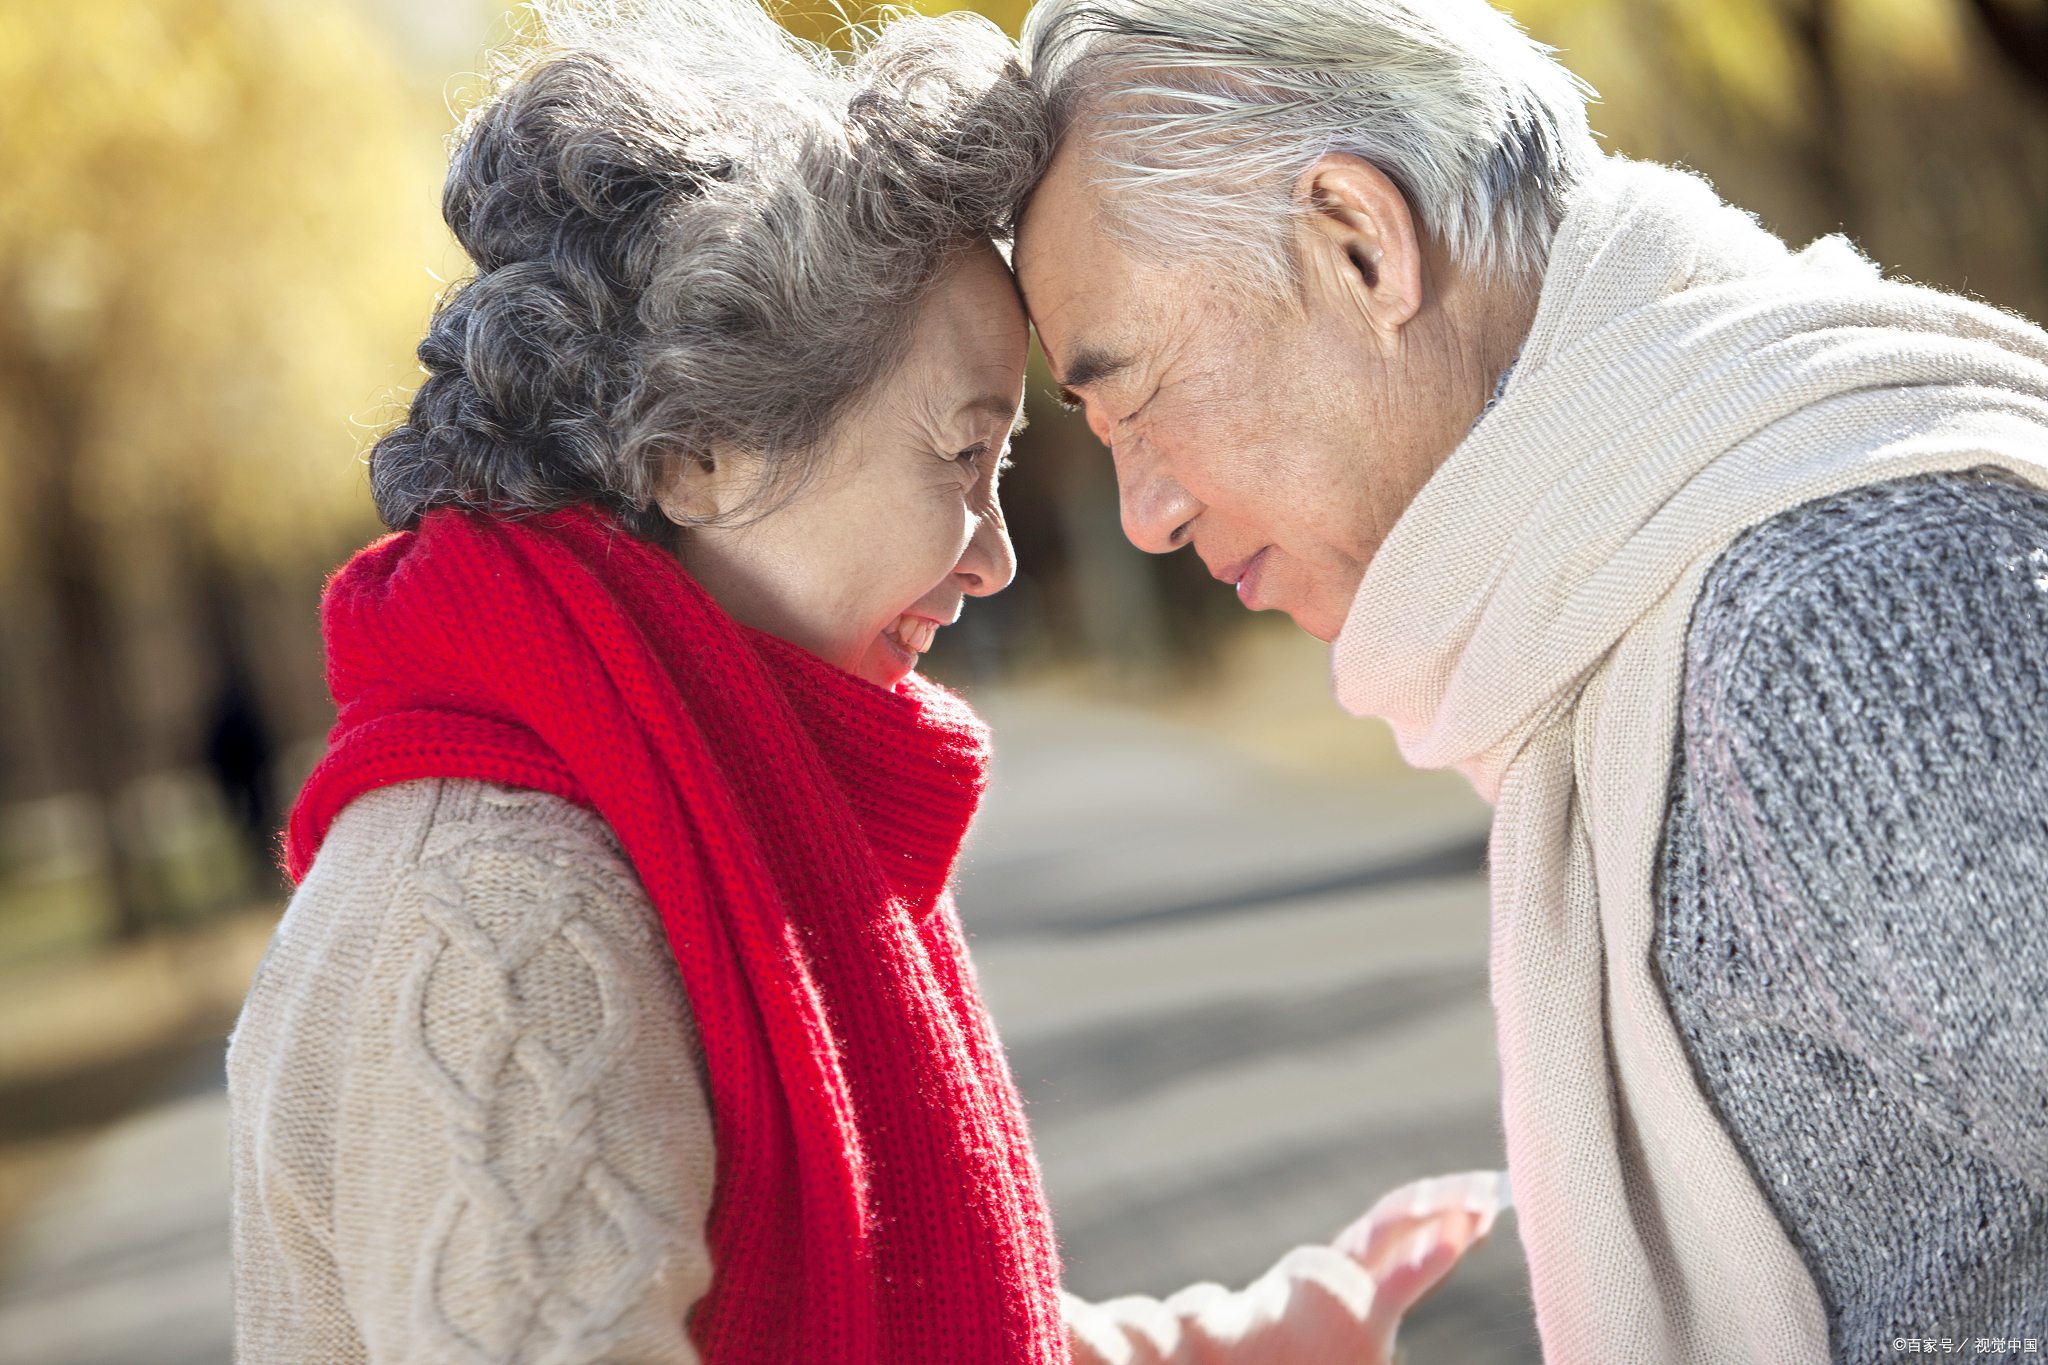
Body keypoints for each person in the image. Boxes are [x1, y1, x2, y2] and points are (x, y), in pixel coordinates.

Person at [226, 2, 1500, 1361]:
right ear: (698, 453)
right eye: (961, 457)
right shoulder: (504, 919)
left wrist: (1231, 1343)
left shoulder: (677, 811)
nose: (998, 557)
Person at [1006, 1, 2048, 1361]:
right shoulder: (1650, 615)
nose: (1142, 509)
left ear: (1359, 244)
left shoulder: (1831, 620)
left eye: (1133, 393)